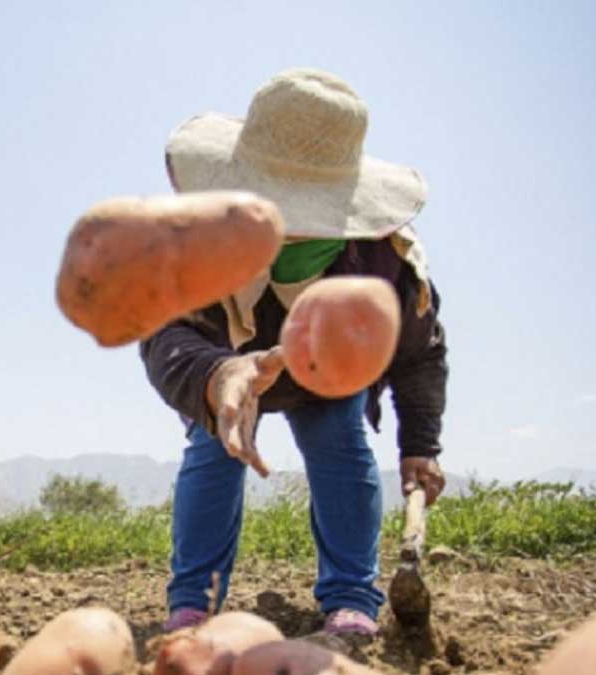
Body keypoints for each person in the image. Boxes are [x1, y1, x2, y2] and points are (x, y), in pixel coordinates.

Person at [141, 68, 448, 637]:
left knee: (338, 440)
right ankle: (194, 601)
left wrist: (421, 444)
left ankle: (352, 597)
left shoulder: (382, 262)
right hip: (224, 367)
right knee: (214, 450)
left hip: (330, 370)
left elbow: (418, 352)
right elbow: (163, 333)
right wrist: (217, 373)